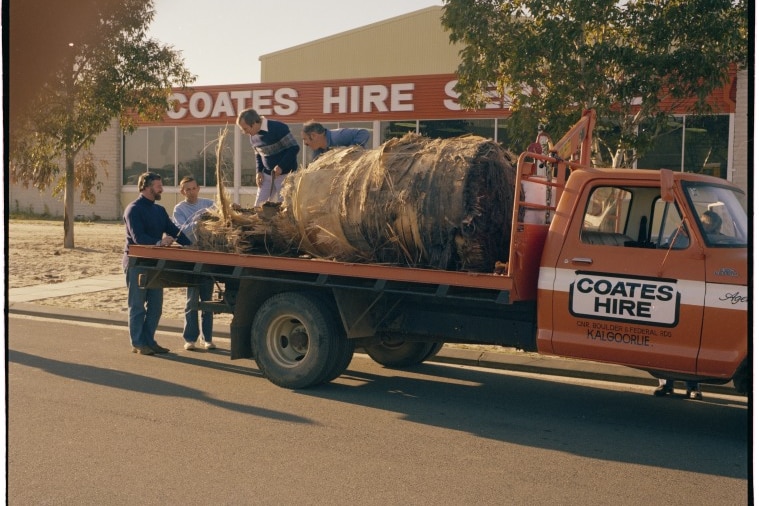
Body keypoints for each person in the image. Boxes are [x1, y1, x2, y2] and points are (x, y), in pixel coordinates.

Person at [123, 172, 192, 355]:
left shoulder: (159, 211)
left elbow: (174, 232)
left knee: (155, 306)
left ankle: (149, 341)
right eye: (158, 185)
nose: (161, 188)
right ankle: (138, 343)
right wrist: (159, 243)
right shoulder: (133, 209)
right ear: (146, 186)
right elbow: (138, 238)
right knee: (137, 306)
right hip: (137, 264)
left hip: (156, 265)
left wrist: (192, 246)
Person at [172, 176, 216, 351]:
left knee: (208, 300)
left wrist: (198, 225)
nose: (190, 192)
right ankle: (190, 338)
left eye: (193, 188)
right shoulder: (179, 209)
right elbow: (182, 231)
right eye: (187, 189)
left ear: (198, 188)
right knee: (191, 300)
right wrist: (199, 222)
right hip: (190, 256)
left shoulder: (209, 203)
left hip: (208, 255)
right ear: (182, 191)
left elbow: (217, 225)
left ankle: (208, 339)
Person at [237, 108, 300, 207]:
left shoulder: (278, 127)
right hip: (266, 175)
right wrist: (259, 171)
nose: (244, 132)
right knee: (258, 207)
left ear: (253, 123)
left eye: (245, 129)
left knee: (285, 207)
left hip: (285, 175)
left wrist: (281, 166)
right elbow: (258, 155)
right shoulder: (252, 136)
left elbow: (294, 148)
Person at [301, 120, 370, 162]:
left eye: (305, 139)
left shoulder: (337, 136)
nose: (304, 143)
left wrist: (352, 148)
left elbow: (363, 133)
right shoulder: (317, 153)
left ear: (313, 135)